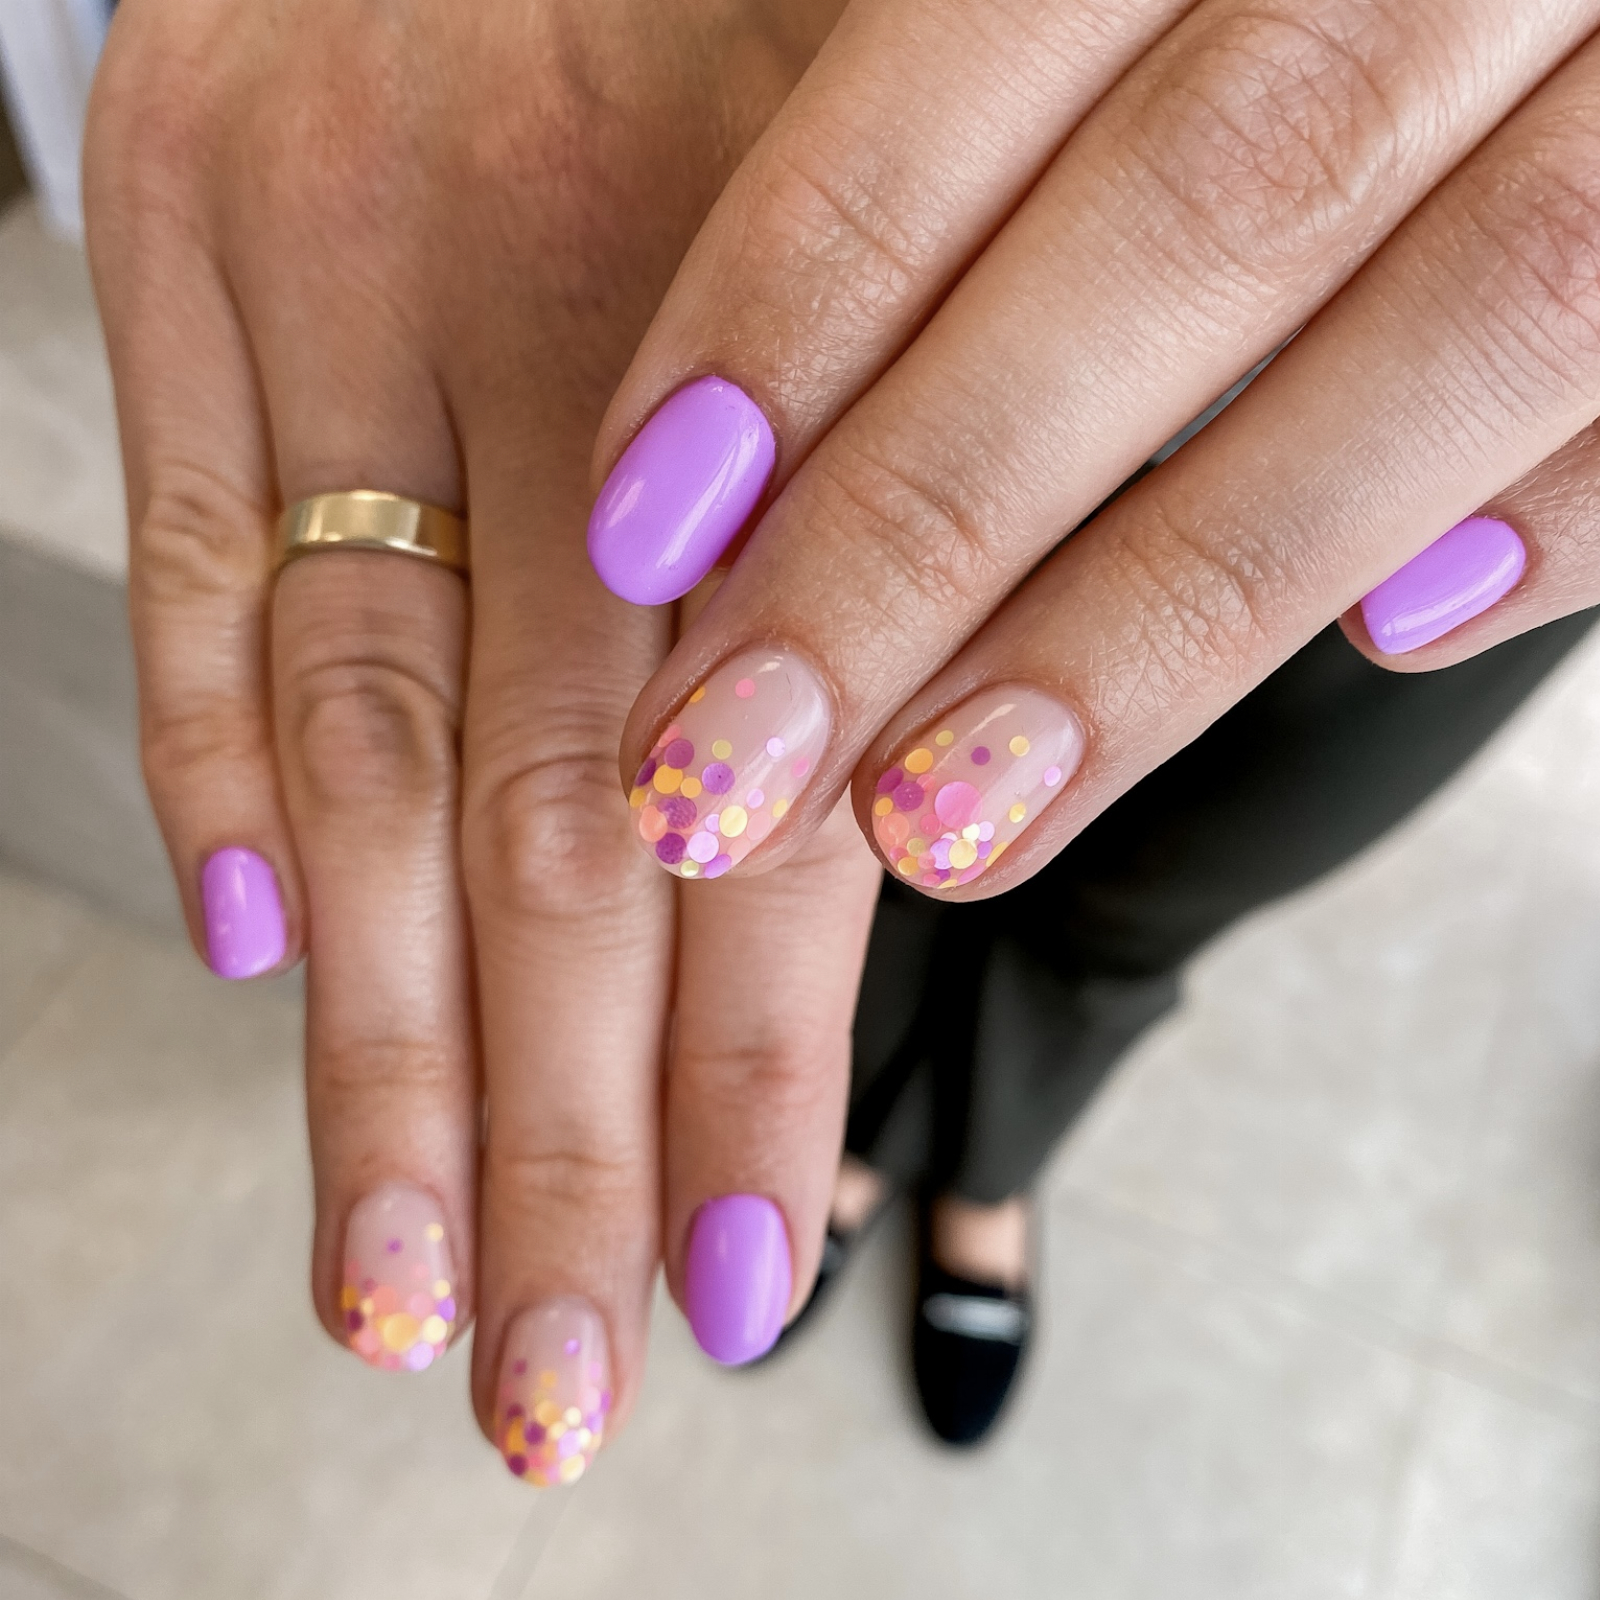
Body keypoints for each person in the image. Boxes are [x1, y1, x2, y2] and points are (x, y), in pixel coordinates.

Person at [84, 0, 1600, 1481]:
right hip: (901, 127)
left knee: (1160, 881)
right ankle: (861, 1139)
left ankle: (990, 1165)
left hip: (1496, 344)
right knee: (855, 827)